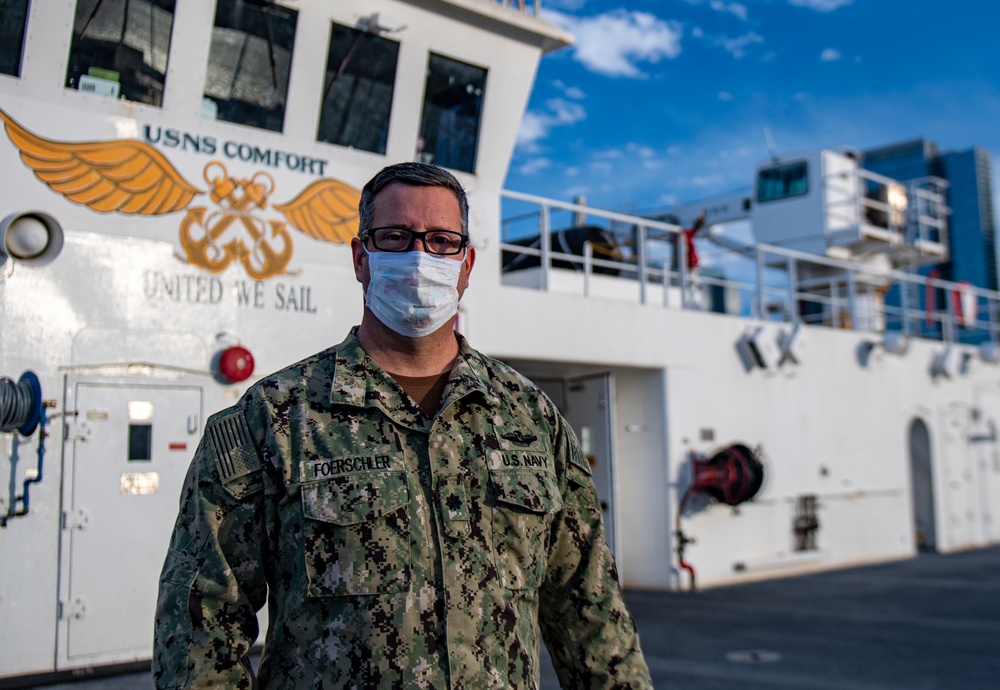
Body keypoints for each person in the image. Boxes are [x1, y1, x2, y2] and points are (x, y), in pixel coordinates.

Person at [153, 162, 653, 689]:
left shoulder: (530, 418)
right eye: (395, 237)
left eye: (442, 241)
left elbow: (589, 609)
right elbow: (201, 624)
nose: (420, 257)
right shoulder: (272, 418)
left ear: (466, 265)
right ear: (360, 258)